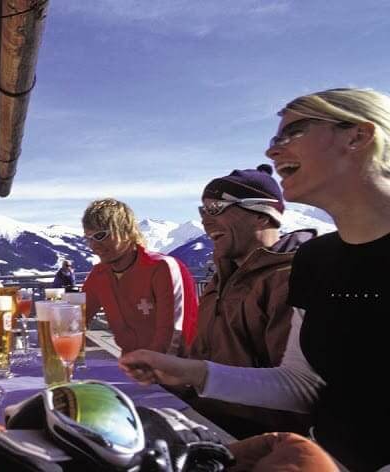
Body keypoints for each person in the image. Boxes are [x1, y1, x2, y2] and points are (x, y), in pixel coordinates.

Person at [121, 87, 390, 471]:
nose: (272, 150)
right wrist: (189, 371)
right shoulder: (316, 260)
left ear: (358, 136)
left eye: (293, 131)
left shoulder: (289, 269)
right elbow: (301, 386)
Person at [189, 164, 315, 438]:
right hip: (207, 417)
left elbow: (297, 393)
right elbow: (203, 353)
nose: (205, 222)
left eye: (215, 209)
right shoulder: (222, 278)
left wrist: (189, 374)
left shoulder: (290, 280)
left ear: (261, 214)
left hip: (258, 436)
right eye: (202, 211)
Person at [81, 198, 198, 355]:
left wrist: (148, 365)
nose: (94, 246)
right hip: (132, 364)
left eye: (101, 235)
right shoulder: (99, 275)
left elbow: (172, 336)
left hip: (180, 366)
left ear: (126, 231)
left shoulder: (163, 268)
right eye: (89, 239)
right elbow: (76, 318)